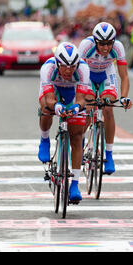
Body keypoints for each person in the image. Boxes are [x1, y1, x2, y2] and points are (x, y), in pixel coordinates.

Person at [37, 42, 93, 202]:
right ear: (57, 63)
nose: (69, 70)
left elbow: (82, 99)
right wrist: (56, 106)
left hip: (73, 91)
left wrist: (76, 108)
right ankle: (45, 139)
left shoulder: (83, 69)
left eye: (72, 66)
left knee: (76, 136)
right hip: (53, 90)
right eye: (64, 66)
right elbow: (48, 99)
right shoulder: (47, 68)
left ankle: (74, 184)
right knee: (46, 110)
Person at [79, 22, 133, 175]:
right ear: (95, 41)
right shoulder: (85, 46)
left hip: (106, 75)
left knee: (108, 108)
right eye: (102, 44)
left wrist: (123, 98)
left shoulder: (118, 48)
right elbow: (78, 73)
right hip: (87, 74)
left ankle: (108, 154)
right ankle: (80, 142)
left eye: (109, 43)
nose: (105, 48)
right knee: (88, 106)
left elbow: (124, 76)